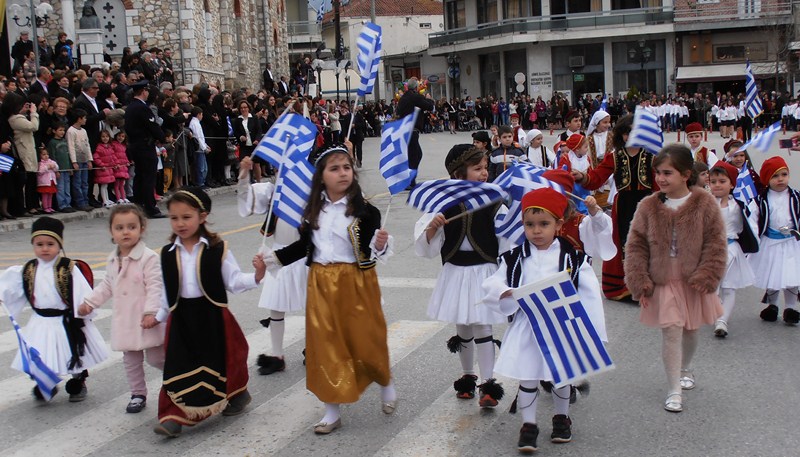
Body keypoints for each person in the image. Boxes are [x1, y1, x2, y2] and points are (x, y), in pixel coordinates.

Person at [266, 143, 396, 434]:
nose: (342, 173)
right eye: (334, 168)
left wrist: (380, 243)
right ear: (321, 175)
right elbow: (304, 247)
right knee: (325, 346)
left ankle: (386, 383)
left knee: (367, 339)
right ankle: (331, 410)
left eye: (347, 167)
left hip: (357, 281)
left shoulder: (365, 211)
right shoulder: (314, 211)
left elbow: (372, 249)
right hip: (321, 283)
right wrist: (273, 259)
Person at [482, 187, 608, 453]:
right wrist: (502, 291)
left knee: (562, 375)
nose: (536, 230)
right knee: (527, 376)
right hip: (528, 326)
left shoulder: (573, 258)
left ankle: (561, 418)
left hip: (563, 325)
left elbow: (589, 294)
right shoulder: (514, 259)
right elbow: (494, 281)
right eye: (530, 225)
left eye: (543, 224)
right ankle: (529, 425)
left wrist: (593, 331)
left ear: (559, 225)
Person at [154, 188, 265, 437]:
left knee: (224, 361)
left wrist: (257, 275)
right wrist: (158, 317)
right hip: (181, 319)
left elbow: (234, 282)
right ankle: (173, 416)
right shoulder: (167, 254)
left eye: (186, 217)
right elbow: (166, 290)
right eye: (174, 218)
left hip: (212, 316)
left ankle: (237, 395)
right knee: (177, 366)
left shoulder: (217, 249)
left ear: (202, 217)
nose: (180, 223)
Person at [624, 144, 726, 413]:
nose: (660, 178)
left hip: (693, 277)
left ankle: (685, 367)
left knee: (691, 330)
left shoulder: (704, 203)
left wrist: (708, 273)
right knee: (671, 330)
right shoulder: (648, 206)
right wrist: (639, 279)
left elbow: (716, 241)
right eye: (658, 172)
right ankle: (674, 390)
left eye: (667, 173)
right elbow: (636, 245)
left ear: (686, 174)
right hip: (663, 278)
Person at [415, 144, 507, 408]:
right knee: (463, 325)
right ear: (458, 174)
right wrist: (432, 229)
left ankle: (488, 384)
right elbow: (427, 245)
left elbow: (505, 237)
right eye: (477, 169)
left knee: (482, 325)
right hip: (455, 271)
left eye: (485, 168)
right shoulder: (443, 203)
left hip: (484, 271)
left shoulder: (494, 200)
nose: (484, 173)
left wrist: (507, 270)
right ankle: (468, 376)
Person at [0, 217, 109, 402]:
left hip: (66, 320)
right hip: (40, 321)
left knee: (74, 352)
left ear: (59, 245)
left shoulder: (68, 268)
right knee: (41, 354)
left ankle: (78, 382)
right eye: (39, 244)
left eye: (50, 244)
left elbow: (81, 290)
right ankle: (45, 382)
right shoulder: (28, 269)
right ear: (33, 245)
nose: (44, 248)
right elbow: (12, 288)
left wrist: (85, 307)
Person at [77, 205, 167, 413]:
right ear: (112, 232)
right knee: (131, 360)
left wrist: (151, 312)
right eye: (119, 228)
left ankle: (175, 380)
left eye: (131, 227)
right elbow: (107, 286)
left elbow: (156, 286)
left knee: (157, 358)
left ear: (141, 228)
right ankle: (138, 393)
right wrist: (89, 302)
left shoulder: (148, 257)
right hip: (125, 320)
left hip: (147, 319)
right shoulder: (112, 259)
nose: (125, 232)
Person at [572, 115, 658, 301]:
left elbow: (660, 181)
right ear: (622, 135)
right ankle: (627, 287)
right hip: (624, 206)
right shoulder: (615, 156)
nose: (631, 136)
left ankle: (651, 285)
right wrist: (581, 176)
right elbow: (597, 177)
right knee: (625, 244)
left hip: (648, 204)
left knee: (649, 243)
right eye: (627, 133)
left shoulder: (652, 155)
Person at [237, 156, 306, 374]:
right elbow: (247, 201)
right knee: (276, 307)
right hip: (278, 253)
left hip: (304, 254)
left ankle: (314, 348)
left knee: (313, 306)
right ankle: (277, 355)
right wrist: (243, 175)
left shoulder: (312, 192)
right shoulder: (272, 191)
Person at [747, 157, 800, 325]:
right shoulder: (761, 200)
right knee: (773, 275)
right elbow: (752, 220)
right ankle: (772, 306)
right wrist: (753, 239)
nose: (781, 179)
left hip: (791, 242)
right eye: (775, 176)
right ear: (767, 179)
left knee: (791, 276)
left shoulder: (795, 197)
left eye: (784, 174)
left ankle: (790, 308)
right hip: (770, 242)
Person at [708, 162, 758, 337]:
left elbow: (750, 225)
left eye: (722, 181)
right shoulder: (705, 204)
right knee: (711, 287)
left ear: (732, 184)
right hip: (710, 252)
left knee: (729, 288)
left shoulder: (739, 206)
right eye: (713, 181)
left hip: (731, 249)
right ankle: (716, 308)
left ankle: (722, 321)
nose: (717, 185)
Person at [125, 80, 166, 218]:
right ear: (143, 91)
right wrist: (162, 137)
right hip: (144, 146)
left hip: (135, 145)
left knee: (140, 176)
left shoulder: (130, 107)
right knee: (149, 177)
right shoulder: (142, 108)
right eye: (147, 90)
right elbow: (152, 126)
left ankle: (139, 205)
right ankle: (150, 207)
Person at [395, 77, 435, 188]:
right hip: (412, 130)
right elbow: (430, 106)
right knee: (414, 155)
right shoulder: (415, 97)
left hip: (403, 129)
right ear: (416, 87)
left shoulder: (403, 98)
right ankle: (409, 181)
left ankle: (408, 179)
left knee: (414, 154)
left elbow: (398, 111)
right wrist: (428, 98)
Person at [586, 110, 614, 207]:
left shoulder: (612, 136)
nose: (608, 125)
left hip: (610, 170)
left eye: (608, 122)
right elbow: (588, 156)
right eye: (604, 122)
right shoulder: (589, 138)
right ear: (597, 123)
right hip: (595, 168)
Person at [558, 134, 591, 215]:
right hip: (572, 188)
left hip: (584, 187)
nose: (587, 149)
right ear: (577, 149)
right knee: (572, 206)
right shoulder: (567, 158)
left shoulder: (587, 159)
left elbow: (590, 172)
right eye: (585, 147)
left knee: (585, 205)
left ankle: (584, 217)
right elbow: (560, 172)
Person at [67, 109, 93, 212]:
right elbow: (71, 147)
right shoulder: (70, 131)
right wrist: (74, 161)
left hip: (84, 160)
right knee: (77, 183)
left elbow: (87, 146)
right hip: (77, 160)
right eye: (84, 118)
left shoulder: (84, 131)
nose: (86, 119)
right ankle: (80, 202)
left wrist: (89, 159)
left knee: (84, 182)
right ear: (79, 119)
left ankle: (86, 201)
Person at [47, 122, 75, 213]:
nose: (62, 132)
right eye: (60, 130)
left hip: (67, 168)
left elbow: (68, 155)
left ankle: (68, 204)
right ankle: (62, 205)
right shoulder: (52, 143)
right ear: (54, 131)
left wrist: (70, 167)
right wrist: (56, 170)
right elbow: (52, 157)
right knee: (61, 187)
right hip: (59, 169)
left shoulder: (64, 141)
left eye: (63, 130)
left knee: (67, 187)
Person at [92, 130, 117, 207]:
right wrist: (101, 165)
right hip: (102, 169)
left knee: (106, 185)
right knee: (103, 185)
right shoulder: (99, 147)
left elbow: (113, 156)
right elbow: (96, 157)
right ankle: (104, 200)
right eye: (103, 136)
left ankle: (107, 199)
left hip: (108, 168)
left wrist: (115, 164)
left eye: (107, 136)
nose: (105, 138)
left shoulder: (109, 147)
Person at [36, 148, 59, 214]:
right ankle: (45, 207)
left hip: (51, 181)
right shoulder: (40, 163)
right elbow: (40, 172)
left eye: (47, 154)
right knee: (45, 195)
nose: (46, 156)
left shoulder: (51, 161)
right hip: (44, 182)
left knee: (50, 195)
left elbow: (57, 167)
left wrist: (54, 166)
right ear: (40, 155)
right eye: (44, 154)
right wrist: (47, 167)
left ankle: (50, 206)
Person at [111, 130, 131, 203]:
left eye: (123, 136)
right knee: (116, 184)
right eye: (119, 136)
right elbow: (113, 155)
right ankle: (118, 198)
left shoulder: (124, 146)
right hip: (117, 166)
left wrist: (127, 162)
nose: (121, 138)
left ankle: (123, 197)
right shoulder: (113, 144)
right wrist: (116, 163)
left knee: (122, 184)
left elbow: (124, 156)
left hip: (123, 167)